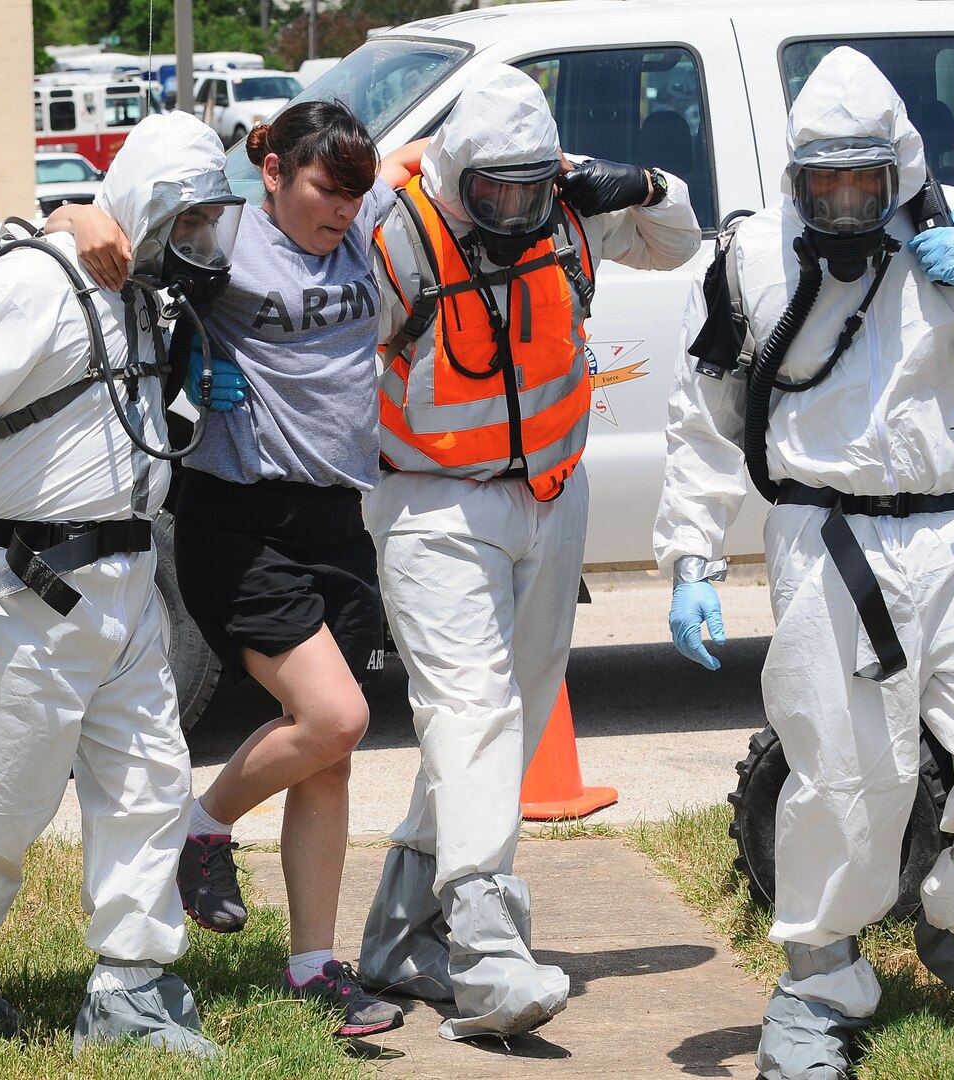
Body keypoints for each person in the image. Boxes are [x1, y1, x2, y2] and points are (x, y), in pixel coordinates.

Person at [654, 47, 954, 1078]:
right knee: (845, 773)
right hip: (828, 536)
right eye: (828, 184)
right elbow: (702, 420)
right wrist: (691, 558)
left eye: (866, 179)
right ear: (797, 177)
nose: (849, 202)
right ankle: (820, 980)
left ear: (898, 165)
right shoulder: (747, 258)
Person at [0, 111, 242, 1056]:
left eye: (208, 224)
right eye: (183, 222)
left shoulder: (145, 297)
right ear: (143, 205)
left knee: (151, 787)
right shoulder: (41, 281)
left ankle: (133, 991)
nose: (197, 245)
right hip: (7, 594)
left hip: (123, 587)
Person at [52, 100, 420, 1039]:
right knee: (336, 716)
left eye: (352, 194)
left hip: (337, 521)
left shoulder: (365, 220)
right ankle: (201, 825)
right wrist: (78, 213)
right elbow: (86, 228)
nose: (341, 210)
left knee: (327, 756)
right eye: (322, 191)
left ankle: (312, 967)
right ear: (270, 173)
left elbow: (430, 155)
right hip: (240, 520)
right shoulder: (225, 237)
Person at [358, 64, 701, 1041]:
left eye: (528, 189)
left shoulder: (563, 210)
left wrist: (633, 183)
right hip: (433, 503)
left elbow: (679, 241)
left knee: (511, 713)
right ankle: (488, 948)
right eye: (493, 193)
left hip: (553, 491)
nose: (512, 211)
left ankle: (395, 937)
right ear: (458, 172)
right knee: (471, 708)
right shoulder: (398, 241)